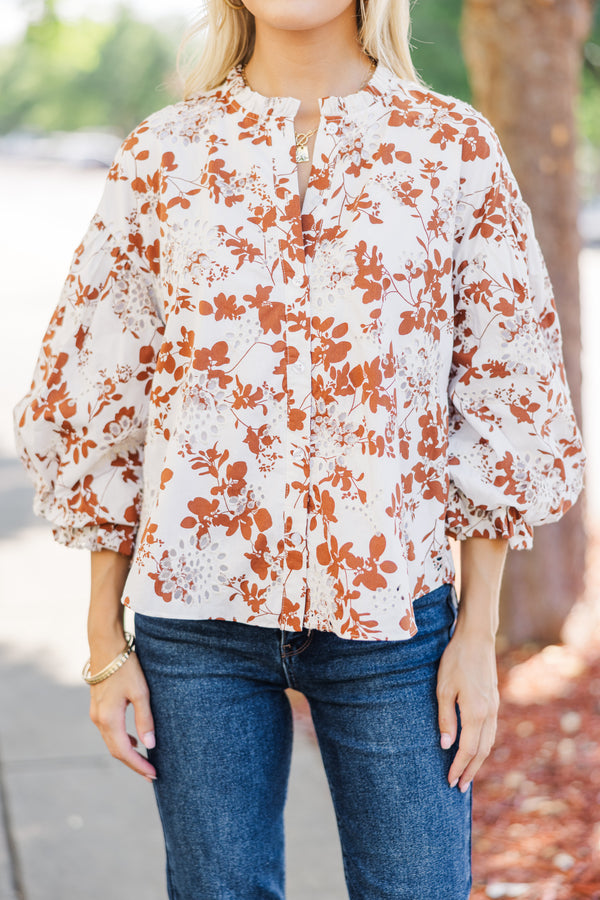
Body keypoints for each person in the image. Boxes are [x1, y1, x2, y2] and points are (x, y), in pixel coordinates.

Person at [14, 1, 585, 898]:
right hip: (194, 623)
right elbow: (103, 395)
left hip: (394, 629)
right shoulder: (165, 153)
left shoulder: (450, 148)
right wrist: (103, 640)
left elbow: (504, 392)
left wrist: (477, 634)